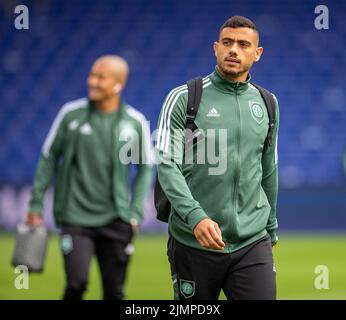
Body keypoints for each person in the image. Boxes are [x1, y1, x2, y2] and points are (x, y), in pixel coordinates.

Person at [156, 16, 279, 300]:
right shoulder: (184, 98)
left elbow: (268, 168)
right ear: (216, 48)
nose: (233, 49)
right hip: (193, 241)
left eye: (243, 44)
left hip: (252, 241)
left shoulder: (268, 103)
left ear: (257, 53)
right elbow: (167, 164)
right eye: (227, 42)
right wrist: (196, 217)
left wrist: (270, 226)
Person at [26, 55, 153, 300]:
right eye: (91, 75)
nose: (92, 81)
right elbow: (48, 157)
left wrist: (135, 211)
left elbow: (146, 166)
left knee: (114, 292)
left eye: (100, 77)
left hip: (116, 220)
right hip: (75, 218)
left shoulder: (134, 122)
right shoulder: (70, 115)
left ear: (118, 84)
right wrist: (35, 205)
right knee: (76, 284)